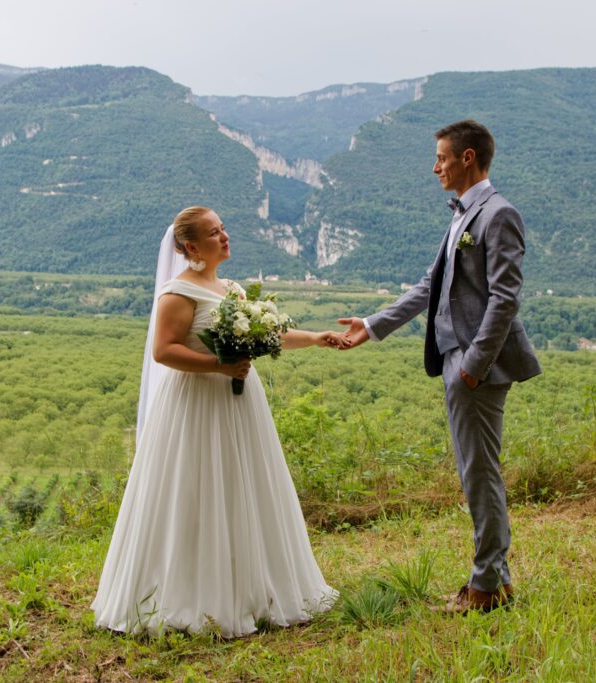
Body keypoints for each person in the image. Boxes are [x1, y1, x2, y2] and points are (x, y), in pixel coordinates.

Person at [91, 206, 341, 637]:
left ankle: (251, 589)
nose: (224, 236)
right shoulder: (177, 293)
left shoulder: (233, 290)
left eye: (223, 228)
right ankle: (191, 593)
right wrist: (217, 365)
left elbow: (270, 335)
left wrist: (316, 338)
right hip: (194, 403)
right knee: (192, 489)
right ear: (191, 247)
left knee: (244, 485)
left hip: (240, 404)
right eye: (213, 232)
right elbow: (164, 351)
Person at [339, 120, 542, 613]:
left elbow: (504, 299)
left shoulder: (498, 214)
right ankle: (498, 581)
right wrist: (372, 324)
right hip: (456, 361)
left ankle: (485, 589)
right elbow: (432, 286)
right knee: (477, 472)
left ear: (467, 158)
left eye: (442, 158)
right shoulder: (461, 216)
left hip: (477, 367)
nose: (435, 168)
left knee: (480, 475)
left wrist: (473, 365)